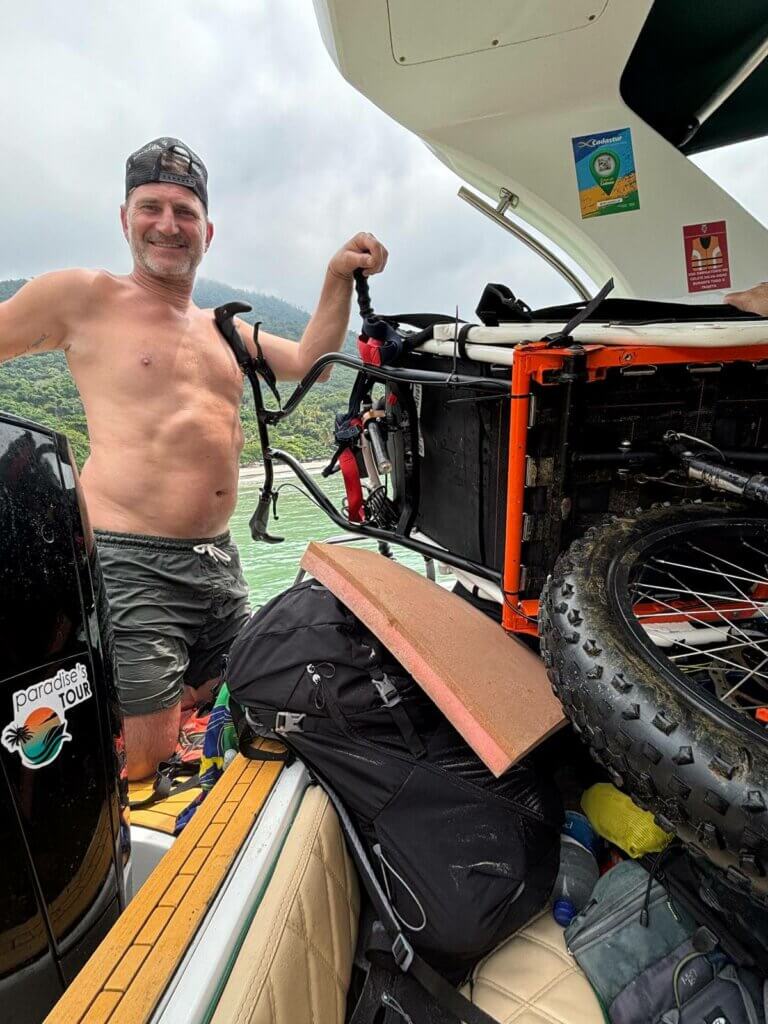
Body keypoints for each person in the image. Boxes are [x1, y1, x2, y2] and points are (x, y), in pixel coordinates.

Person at [0, 137, 388, 779]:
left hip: (217, 561)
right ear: (124, 219)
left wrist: (336, 275)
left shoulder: (223, 329)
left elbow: (311, 364)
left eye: (184, 211)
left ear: (206, 232)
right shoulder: (83, 297)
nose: (167, 224)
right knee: (144, 756)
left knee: (261, 699)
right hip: (130, 560)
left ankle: (183, 703)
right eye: (150, 207)